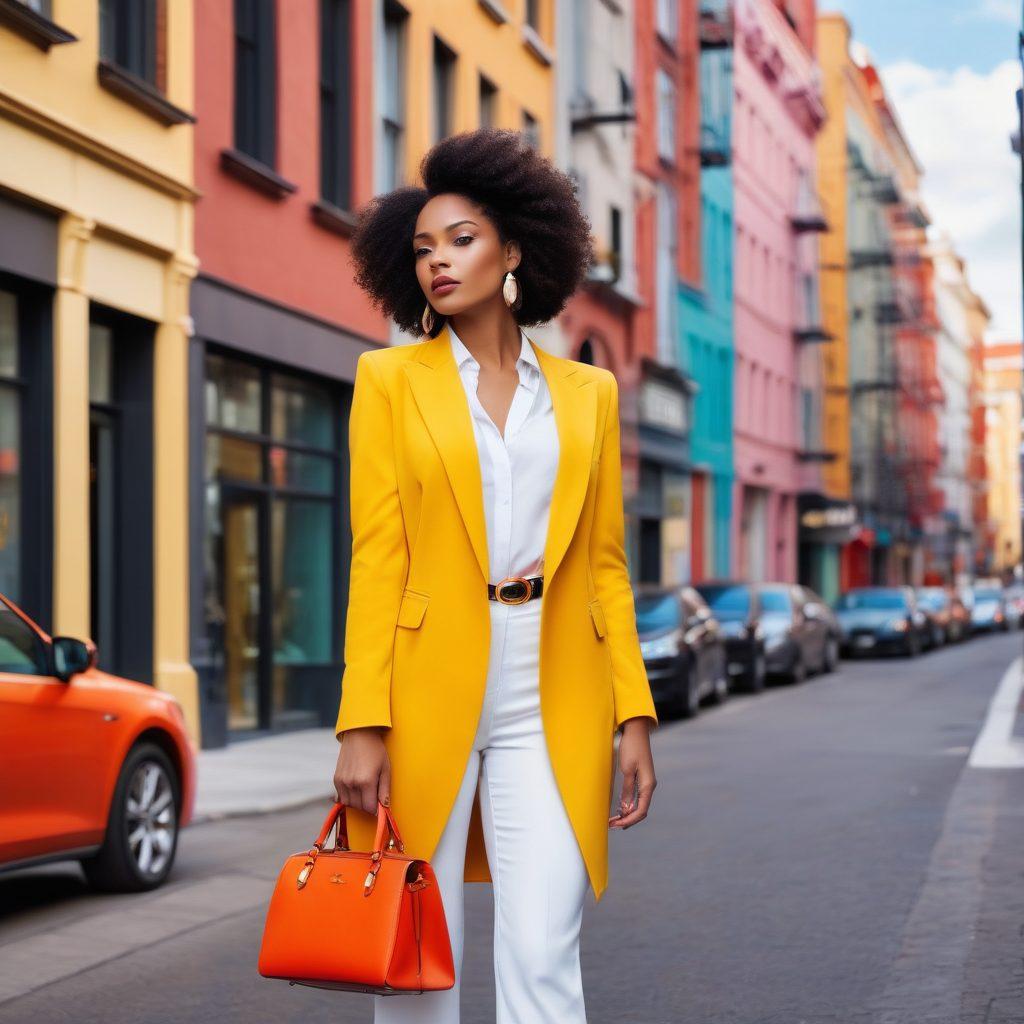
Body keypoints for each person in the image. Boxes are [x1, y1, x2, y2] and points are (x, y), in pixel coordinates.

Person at [332, 127, 658, 1024]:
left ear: (514, 249)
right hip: (423, 679)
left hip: (551, 682)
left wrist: (633, 710)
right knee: (418, 948)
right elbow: (377, 558)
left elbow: (603, 567)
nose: (439, 261)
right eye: (424, 249)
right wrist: (362, 720)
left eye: (462, 239)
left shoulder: (589, 396)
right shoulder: (389, 381)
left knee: (545, 944)